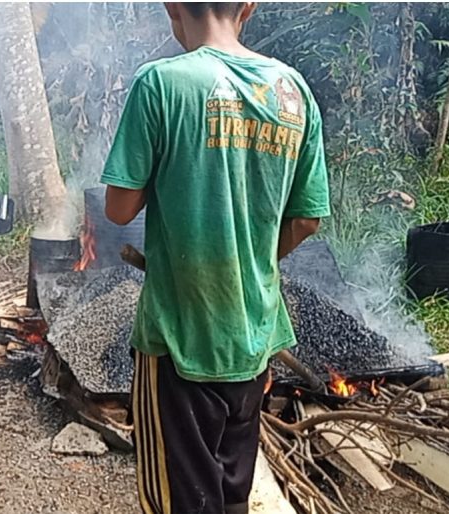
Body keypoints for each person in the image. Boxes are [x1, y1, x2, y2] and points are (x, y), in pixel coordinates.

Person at [101, 3, 331, 513]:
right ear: (248, 6)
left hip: (180, 340)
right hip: (254, 338)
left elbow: (119, 208)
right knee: (230, 497)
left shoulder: (160, 83)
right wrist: (248, 256)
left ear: (171, 7)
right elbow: (307, 219)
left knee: (179, 502)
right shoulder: (293, 90)